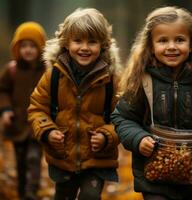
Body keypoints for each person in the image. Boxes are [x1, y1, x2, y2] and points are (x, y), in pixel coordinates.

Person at [111, 6, 192, 200]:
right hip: (152, 175)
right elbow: (122, 117)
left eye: (179, 40)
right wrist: (138, 139)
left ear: (191, 44)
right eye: (162, 41)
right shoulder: (143, 82)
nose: (171, 46)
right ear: (150, 46)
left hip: (190, 177)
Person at [27, 8, 122, 200]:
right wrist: (47, 130)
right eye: (78, 41)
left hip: (97, 159)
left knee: (90, 196)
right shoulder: (53, 76)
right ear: (66, 43)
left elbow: (123, 117)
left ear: (102, 45)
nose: (84, 47)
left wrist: (106, 136)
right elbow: (37, 108)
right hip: (63, 157)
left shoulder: (112, 81)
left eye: (92, 42)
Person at [0, 21, 47, 200]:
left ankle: (32, 192)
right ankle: (22, 193)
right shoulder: (12, 70)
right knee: (21, 162)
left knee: (33, 159)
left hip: (38, 125)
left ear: (41, 48)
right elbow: (1, 91)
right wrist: (5, 110)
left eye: (33, 46)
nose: (28, 50)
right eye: (24, 46)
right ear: (17, 48)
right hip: (17, 124)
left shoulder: (47, 71)